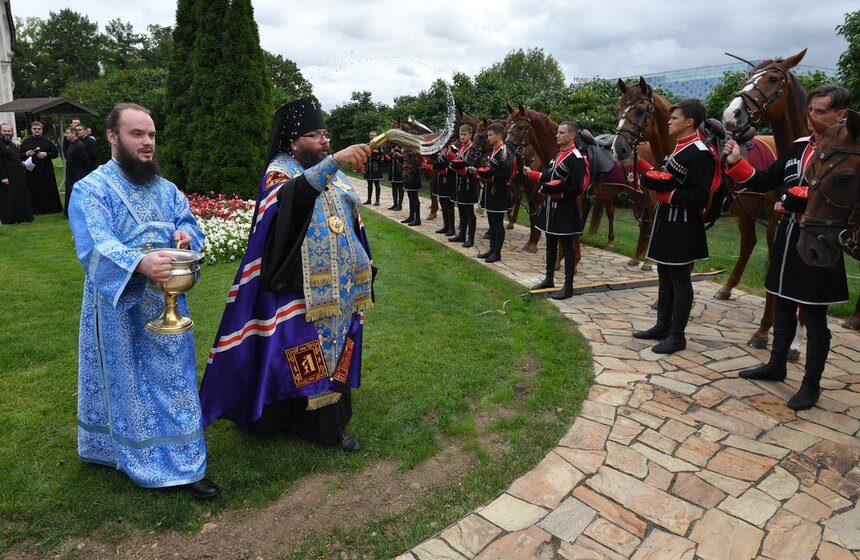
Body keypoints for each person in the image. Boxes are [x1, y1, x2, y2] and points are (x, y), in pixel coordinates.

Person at [199, 96, 372, 452]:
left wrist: (363, 261)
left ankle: (329, 420)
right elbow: (288, 200)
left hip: (338, 286)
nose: (325, 141)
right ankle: (302, 423)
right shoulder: (281, 171)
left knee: (336, 347)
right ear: (293, 142)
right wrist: (334, 161)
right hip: (297, 286)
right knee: (302, 352)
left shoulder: (331, 171)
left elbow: (351, 216)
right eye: (315, 135)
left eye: (325, 134)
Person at [68, 102, 218, 499]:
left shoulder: (167, 189)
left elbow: (188, 223)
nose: (148, 142)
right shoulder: (92, 189)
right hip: (118, 305)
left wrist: (186, 237)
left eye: (151, 134)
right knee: (127, 384)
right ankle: (128, 453)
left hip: (168, 300)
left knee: (176, 378)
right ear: (113, 137)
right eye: (138, 134)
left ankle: (188, 464)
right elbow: (95, 247)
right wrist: (138, 262)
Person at [723, 85, 851, 410]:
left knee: (813, 314)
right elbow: (766, 180)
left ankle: (811, 384)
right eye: (810, 111)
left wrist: (798, 200)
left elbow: (845, 196)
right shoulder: (797, 148)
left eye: (821, 112)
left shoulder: (851, 152)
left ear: (842, 115)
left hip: (820, 242)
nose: (813, 119)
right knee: (781, 302)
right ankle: (776, 364)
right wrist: (738, 162)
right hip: (788, 236)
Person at [633, 99, 717, 354]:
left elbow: (701, 197)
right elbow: (668, 178)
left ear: (689, 122)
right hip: (666, 222)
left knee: (680, 280)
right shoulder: (678, 149)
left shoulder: (700, 152)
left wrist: (667, 196)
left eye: (674, 119)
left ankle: (677, 336)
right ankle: (662, 325)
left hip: (682, 225)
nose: (668, 122)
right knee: (664, 275)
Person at [524, 121, 588, 299]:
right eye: (557, 132)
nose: (557, 135)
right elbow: (550, 176)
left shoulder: (576, 158)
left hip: (565, 208)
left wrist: (555, 191)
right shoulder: (557, 154)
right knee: (550, 244)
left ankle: (568, 286)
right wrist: (532, 174)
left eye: (561, 133)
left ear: (572, 135)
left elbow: (577, 188)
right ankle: (549, 278)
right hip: (551, 207)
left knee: (567, 248)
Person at [475, 123, 514, 262]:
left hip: (499, 192)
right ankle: (491, 250)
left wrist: (488, 176)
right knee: (491, 223)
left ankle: (497, 253)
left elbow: (505, 173)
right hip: (490, 191)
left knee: (498, 224)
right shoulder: (494, 151)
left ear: (499, 135)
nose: (488, 138)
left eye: (491, 135)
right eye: (488, 135)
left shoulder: (504, 151)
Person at [20, 121, 63, 214]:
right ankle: (34, 209)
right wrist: (26, 153)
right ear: (31, 130)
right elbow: (20, 155)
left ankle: (49, 208)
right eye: (35, 129)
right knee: (33, 189)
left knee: (47, 189)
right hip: (32, 170)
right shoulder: (26, 142)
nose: (37, 131)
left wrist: (46, 154)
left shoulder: (47, 141)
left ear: (42, 130)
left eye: (39, 129)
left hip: (46, 169)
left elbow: (55, 153)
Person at [448, 125, 481, 247]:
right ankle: (461, 234)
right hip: (459, 182)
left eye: (464, 134)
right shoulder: (461, 148)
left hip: (469, 183)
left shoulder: (473, 149)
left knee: (469, 212)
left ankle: (470, 238)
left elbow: (473, 165)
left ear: (470, 135)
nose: (462, 137)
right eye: (461, 134)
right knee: (461, 210)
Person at [0, 122, 33, 224]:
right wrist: (3, 177)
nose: (7, 133)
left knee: (18, 196)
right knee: (8, 198)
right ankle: (9, 219)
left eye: (9, 131)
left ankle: (21, 216)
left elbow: (16, 156)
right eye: (4, 131)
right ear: (0, 132)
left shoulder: (12, 144)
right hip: (7, 175)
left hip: (18, 175)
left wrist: (25, 154)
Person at [428, 137, 458, 237]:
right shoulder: (442, 150)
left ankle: (451, 228)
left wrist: (442, 165)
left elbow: (452, 164)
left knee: (449, 206)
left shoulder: (453, 149)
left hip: (449, 180)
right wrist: (440, 165)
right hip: (441, 179)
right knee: (443, 204)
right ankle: (446, 226)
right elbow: (436, 165)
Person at [63, 126, 96, 217]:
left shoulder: (79, 145)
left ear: (74, 134)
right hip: (71, 172)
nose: (66, 135)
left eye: (68, 133)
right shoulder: (72, 144)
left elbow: (85, 160)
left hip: (78, 173)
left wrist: (84, 172)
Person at [401, 146, 423, 226]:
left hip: (414, 176)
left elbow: (418, 163)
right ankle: (411, 216)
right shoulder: (407, 151)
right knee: (410, 196)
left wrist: (411, 154)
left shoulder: (417, 152)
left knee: (414, 198)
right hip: (408, 175)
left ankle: (417, 219)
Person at [363, 130, 382, 206]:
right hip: (368, 167)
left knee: (376, 184)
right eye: (371, 135)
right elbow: (364, 156)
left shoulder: (379, 145)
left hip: (376, 167)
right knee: (369, 184)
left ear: (376, 136)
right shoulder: (366, 145)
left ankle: (377, 200)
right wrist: (363, 166)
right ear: (369, 136)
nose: (372, 137)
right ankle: (369, 199)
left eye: (374, 135)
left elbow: (381, 156)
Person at [383, 142, 404, 210]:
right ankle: (395, 203)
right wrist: (385, 155)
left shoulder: (401, 147)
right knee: (394, 188)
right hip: (392, 171)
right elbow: (390, 160)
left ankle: (400, 204)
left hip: (399, 171)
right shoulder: (392, 148)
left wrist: (399, 155)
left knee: (400, 188)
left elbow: (405, 157)